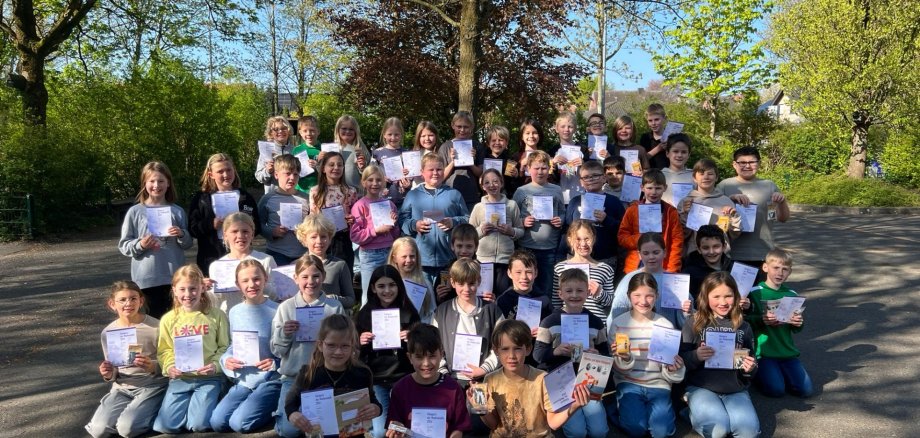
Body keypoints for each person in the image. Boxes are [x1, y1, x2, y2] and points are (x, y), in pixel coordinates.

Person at [270, 254, 346, 437]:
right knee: (290, 431)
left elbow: (346, 345)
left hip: (327, 378)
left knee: (327, 430)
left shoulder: (334, 307)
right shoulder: (286, 308)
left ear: (323, 277)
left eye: (316, 276)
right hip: (294, 377)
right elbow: (277, 351)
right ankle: (281, 419)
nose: (310, 281)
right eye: (304, 277)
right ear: (295, 279)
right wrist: (285, 333)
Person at [478, 319, 593, 437]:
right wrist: (480, 407)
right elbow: (494, 425)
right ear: (496, 350)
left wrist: (574, 405)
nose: (511, 356)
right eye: (505, 349)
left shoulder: (542, 378)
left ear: (528, 349)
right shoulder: (490, 379)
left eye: (517, 348)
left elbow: (553, 423)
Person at [679, 272, 760, 438]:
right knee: (718, 431)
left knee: (748, 433)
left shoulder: (743, 326)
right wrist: (696, 356)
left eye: (728, 296)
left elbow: (750, 366)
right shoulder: (694, 322)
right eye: (716, 296)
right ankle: (690, 412)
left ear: (736, 297)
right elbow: (680, 361)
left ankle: (717, 413)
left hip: (734, 389)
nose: (723, 302)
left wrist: (750, 368)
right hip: (701, 388)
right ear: (705, 297)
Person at [153, 264, 230, 434]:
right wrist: (169, 367)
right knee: (164, 426)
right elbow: (165, 350)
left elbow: (225, 346)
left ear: (203, 287)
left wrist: (215, 366)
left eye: (193, 289)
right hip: (181, 379)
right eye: (182, 289)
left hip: (209, 378)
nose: (187, 294)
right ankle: (191, 406)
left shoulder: (216, 315)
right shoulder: (168, 319)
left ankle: (217, 395)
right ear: (174, 290)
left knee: (198, 425)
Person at [534, 268, 610, 438]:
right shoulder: (549, 322)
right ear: (560, 294)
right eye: (569, 291)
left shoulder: (596, 323)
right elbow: (537, 354)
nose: (574, 295)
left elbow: (606, 354)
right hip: (560, 382)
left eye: (580, 290)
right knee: (577, 432)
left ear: (588, 292)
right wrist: (556, 351)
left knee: (599, 432)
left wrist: (596, 353)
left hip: (587, 381)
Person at [85, 281, 167, 438]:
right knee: (98, 431)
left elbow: (172, 362)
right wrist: (108, 373)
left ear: (141, 301)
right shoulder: (108, 332)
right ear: (112, 304)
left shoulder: (156, 327)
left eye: (133, 298)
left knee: (127, 429)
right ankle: (135, 412)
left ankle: (157, 410)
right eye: (122, 300)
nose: (128, 303)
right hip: (122, 387)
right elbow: (114, 370)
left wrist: (152, 366)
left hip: (152, 386)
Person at [609, 273, 685, 438]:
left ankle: (660, 411)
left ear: (656, 296)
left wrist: (674, 368)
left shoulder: (665, 325)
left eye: (649, 296)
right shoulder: (618, 324)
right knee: (636, 429)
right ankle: (619, 408)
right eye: (637, 295)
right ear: (629, 296)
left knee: (661, 432)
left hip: (659, 385)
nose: (643, 301)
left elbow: (670, 370)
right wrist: (626, 358)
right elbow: (617, 368)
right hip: (628, 383)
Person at [210, 260, 281, 433]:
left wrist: (275, 364)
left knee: (239, 424)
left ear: (265, 278)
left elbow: (287, 349)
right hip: (244, 380)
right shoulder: (235, 311)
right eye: (245, 281)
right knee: (217, 423)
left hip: (271, 379)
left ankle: (276, 408)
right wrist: (227, 360)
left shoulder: (278, 310)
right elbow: (234, 345)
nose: (252, 285)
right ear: (237, 284)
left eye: (256, 279)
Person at [284, 314, 382, 437]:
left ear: (352, 346)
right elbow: (291, 400)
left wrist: (376, 409)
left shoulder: (362, 373)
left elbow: (372, 400)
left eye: (345, 346)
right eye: (331, 345)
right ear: (320, 345)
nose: (338, 352)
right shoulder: (308, 373)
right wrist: (292, 414)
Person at [118, 161, 194, 319]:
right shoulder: (135, 212)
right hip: (147, 279)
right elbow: (124, 245)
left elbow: (188, 244)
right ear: (144, 183)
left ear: (168, 184)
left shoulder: (177, 211)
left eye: (161, 181)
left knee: (176, 320)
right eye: (152, 181)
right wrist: (140, 244)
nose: (156, 185)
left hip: (174, 277)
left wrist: (181, 234)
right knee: (151, 323)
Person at [355, 265, 421, 437]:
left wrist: (413, 339)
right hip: (377, 380)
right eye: (381, 286)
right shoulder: (364, 315)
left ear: (399, 286)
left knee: (408, 428)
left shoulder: (410, 312)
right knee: (380, 432)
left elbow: (422, 350)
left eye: (392, 285)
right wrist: (360, 342)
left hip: (404, 377)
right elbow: (354, 354)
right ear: (373, 288)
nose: (387, 291)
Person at [746, 249, 813, 398]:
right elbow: (745, 322)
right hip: (764, 353)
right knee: (776, 390)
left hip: (786, 352)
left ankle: (781, 374)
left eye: (785, 269)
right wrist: (761, 320)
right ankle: (759, 374)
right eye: (776, 268)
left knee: (806, 391)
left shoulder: (792, 294)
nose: (780, 273)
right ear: (765, 267)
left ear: (790, 272)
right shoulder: (755, 292)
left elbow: (797, 328)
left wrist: (798, 322)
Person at [717, 146, 790, 281]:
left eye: (752, 162)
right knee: (736, 299)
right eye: (742, 162)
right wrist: (730, 200)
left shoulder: (769, 186)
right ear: (734, 164)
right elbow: (715, 218)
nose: (747, 166)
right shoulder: (724, 186)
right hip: (731, 254)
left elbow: (782, 218)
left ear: (759, 164)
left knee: (760, 298)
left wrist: (782, 202)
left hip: (763, 253)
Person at [385, 324, 471, 437]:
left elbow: (460, 427)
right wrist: (396, 429)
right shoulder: (400, 389)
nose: (426, 363)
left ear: (441, 354)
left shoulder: (454, 388)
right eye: (419, 357)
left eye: (432, 356)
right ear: (410, 357)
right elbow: (394, 424)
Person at [398, 153, 470, 288]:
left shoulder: (454, 194)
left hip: (448, 260)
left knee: (444, 294)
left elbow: (467, 218)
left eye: (439, 169)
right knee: (424, 298)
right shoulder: (413, 195)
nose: (435, 173)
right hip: (422, 261)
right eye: (431, 170)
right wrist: (415, 225)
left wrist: (453, 222)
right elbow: (402, 219)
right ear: (422, 172)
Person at [432, 258, 504, 383]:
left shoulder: (492, 311)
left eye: (471, 283)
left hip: (484, 380)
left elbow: (503, 346)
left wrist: (484, 369)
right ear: (452, 282)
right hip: (450, 380)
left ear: (479, 281)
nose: (466, 289)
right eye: (461, 284)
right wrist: (444, 374)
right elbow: (433, 346)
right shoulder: (441, 312)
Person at [189, 153, 260, 274]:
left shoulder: (245, 197)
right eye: (220, 171)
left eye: (229, 170)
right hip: (211, 257)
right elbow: (192, 229)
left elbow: (257, 227)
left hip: (242, 257)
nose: (226, 175)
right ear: (211, 174)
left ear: (234, 170)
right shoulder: (201, 198)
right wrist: (211, 224)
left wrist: (244, 225)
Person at [610, 233, 692, 330]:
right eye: (646, 253)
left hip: (666, 338)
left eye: (656, 252)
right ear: (639, 255)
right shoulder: (629, 279)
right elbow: (617, 312)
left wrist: (686, 312)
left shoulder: (675, 282)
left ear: (664, 252)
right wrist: (615, 336)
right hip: (635, 337)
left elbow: (686, 323)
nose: (651, 257)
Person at [512, 150, 565, 297]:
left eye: (544, 168)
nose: (540, 172)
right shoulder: (521, 191)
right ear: (528, 169)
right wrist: (522, 221)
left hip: (549, 248)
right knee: (526, 286)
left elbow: (563, 212)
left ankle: (544, 317)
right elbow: (512, 216)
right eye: (536, 168)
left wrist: (560, 220)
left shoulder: (556, 190)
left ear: (549, 169)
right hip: (526, 247)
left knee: (545, 287)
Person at [469, 169, 524, 298]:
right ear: (482, 186)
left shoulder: (511, 205)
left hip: (505, 260)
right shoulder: (478, 207)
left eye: (495, 181)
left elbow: (521, 230)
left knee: (502, 297)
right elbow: (469, 235)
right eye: (487, 182)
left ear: (501, 183)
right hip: (483, 260)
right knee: (484, 296)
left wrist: (511, 232)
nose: (492, 185)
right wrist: (481, 231)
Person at [618, 169, 685, 275]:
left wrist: (672, 269)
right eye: (649, 188)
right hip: (636, 264)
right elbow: (622, 238)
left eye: (658, 188)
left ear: (665, 188)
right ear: (642, 188)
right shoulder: (632, 210)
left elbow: (676, 242)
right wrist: (639, 238)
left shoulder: (670, 212)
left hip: (663, 264)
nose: (653, 192)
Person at [351, 164, 401, 305]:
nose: (375, 183)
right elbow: (355, 236)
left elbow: (396, 235)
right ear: (363, 182)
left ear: (384, 182)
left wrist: (394, 224)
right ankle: (364, 325)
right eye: (370, 180)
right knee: (369, 294)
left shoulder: (389, 204)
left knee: (391, 292)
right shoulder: (359, 206)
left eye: (378, 180)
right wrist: (375, 231)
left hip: (389, 252)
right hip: (369, 254)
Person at [208, 213, 278, 312]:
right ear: (225, 235)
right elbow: (216, 301)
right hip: (230, 318)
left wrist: (259, 284)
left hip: (261, 315)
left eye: (245, 231)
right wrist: (205, 290)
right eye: (234, 231)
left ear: (252, 234)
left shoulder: (265, 260)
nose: (240, 236)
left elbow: (275, 295)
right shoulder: (216, 266)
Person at [562, 160, 626, 266]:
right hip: (577, 258)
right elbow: (566, 230)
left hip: (605, 258)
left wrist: (606, 220)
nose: (591, 179)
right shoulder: (575, 201)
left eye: (595, 175)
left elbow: (623, 230)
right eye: (586, 177)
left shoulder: (614, 202)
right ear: (581, 182)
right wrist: (562, 254)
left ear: (604, 178)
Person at [552, 221, 616, 322]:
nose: (583, 244)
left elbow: (611, 301)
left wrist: (600, 292)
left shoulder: (605, 268)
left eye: (587, 239)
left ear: (593, 238)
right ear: (569, 240)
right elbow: (556, 302)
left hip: (596, 325)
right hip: (569, 323)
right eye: (578, 239)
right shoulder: (560, 268)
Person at [310, 151, 359, 274]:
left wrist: (352, 220)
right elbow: (312, 218)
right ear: (323, 169)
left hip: (343, 240)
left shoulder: (351, 191)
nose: (336, 168)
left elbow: (356, 217)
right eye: (331, 165)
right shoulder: (315, 192)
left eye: (340, 165)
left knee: (344, 274)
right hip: (322, 240)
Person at [680, 159, 742, 255]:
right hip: (694, 255)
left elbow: (734, 234)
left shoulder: (726, 201)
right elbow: (682, 234)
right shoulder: (686, 202)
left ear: (716, 177)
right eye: (701, 173)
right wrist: (684, 214)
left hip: (721, 256)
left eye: (710, 174)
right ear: (694, 178)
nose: (706, 177)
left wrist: (734, 217)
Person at [256, 154, 309, 266]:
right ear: (276, 174)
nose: (292, 178)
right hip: (276, 253)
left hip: (303, 254)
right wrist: (272, 232)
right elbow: (258, 223)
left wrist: (304, 230)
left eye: (296, 174)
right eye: (287, 174)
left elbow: (313, 223)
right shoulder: (267, 199)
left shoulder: (306, 198)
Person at [295, 214, 357, 310]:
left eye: (323, 236)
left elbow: (351, 300)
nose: (319, 241)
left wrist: (333, 299)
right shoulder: (296, 265)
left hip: (332, 320)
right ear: (304, 239)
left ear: (330, 239)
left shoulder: (339, 265)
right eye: (313, 237)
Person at [495, 250, 553, 336]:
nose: (524, 277)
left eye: (529, 272)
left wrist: (545, 331)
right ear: (509, 273)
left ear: (536, 273)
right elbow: (498, 332)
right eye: (518, 272)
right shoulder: (503, 300)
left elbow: (552, 327)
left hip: (536, 347)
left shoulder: (544, 299)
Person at [438, 110, 483, 211]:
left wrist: (471, 161)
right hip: (449, 195)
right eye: (459, 126)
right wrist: (453, 162)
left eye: (466, 127)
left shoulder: (477, 146)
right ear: (453, 125)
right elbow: (440, 176)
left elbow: (481, 173)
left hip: (471, 196)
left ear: (472, 127)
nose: (462, 130)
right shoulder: (445, 147)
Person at [388, 237, 437, 323]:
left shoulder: (424, 283)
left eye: (412, 256)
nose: (409, 260)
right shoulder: (386, 282)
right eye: (404, 256)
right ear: (394, 258)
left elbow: (431, 313)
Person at [682, 225, 735, 301]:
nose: (711, 252)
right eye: (706, 248)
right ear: (699, 249)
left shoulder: (734, 269)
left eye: (716, 247)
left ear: (724, 246)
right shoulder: (689, 274)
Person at [431, 223, 480, 305]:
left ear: (476, 247)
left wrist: (492, 299)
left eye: (469, 246)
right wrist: (439, 297)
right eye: (459, 246)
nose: (464, 251)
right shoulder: (445, 271)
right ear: (452, 246)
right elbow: (438, 304)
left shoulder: (485, 271)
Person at [326, 115, 371, 197]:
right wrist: (319, 161)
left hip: (356, 193)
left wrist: (362, 167)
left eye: (351, 129)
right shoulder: (331, 149)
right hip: (335, 193)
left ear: (356, 131)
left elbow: (368, 173)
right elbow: (323, 171)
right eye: (344, 128)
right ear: (337, 130)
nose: (347, 131)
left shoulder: (360, 148)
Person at [372, 117, 412, 207]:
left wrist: (408, 179)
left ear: (401, 134)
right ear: (384, 135)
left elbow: (411, 176)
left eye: (396, 134)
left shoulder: (407, 152)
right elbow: (371, 173)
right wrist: (381, 177)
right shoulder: (377, 153)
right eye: (389, 134)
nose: (393, 138)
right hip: (383, 199)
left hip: (404, 199)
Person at [549, 112, 587, 204]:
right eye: (563, 126)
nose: (566, 129)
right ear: (557, 129)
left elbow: (590, 171)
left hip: (579, 194)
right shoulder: (552, 150)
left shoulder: (583, 149)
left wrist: (584, 164)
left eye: (570, 126)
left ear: (575, 129)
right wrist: (553, 162)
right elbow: (548, 173)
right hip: (559, 194)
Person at [256, 116, 296, 193]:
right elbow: (259, 176)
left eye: (284, 128)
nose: (280, 131)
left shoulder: (295, 150)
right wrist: (268, 171)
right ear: (271, 133)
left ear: (288, 130)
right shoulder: (266, 150)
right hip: (272, 196)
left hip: (291, 195)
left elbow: (301, 174)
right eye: (276, 129)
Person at [476, 125, 518, 197]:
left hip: (504, 196)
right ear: (488, 144)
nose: (497, 143)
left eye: (501, 140)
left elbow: (511, 183)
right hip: (486, 195)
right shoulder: (483, 159)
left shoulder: (510, 161)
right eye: (494, 140)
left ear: (506, 143)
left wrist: (515, 174)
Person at [509, 118, 546, 196]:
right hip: (522, 198)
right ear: (522, 136)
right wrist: (520, 170)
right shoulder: (513, 158)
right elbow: (507, 182)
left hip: (541, 197)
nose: (531, 136)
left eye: (535, 133)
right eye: (527, 133)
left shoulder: (546, 156)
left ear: (539, 135)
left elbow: (551, 180)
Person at [661, 133, 694, 208]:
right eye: (675, 151)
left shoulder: (696, 177)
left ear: (688, 155)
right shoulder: (658, 176)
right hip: (665, 218)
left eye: (684, 152)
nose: (679, 155)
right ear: (667, 153)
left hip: (687, 218)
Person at [292, 115, 322, 193]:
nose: (309, 133)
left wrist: (318, 166)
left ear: (318, 131)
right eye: (305, 131)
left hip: (319, 191)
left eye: (312, 130)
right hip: (300, 190)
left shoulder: (324, 150)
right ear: (300, 133)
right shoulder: (297, 150)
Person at [638, 103, 670, 170]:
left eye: (656, 119)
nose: (653, 123)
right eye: (650, 120)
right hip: (651, 176)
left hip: (668, 175)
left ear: (665, 118)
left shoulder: (671, 137)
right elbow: (641, 160)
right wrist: (658, 149)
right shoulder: (645, 138)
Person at [410, 121, 440, 188]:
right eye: (423, 136)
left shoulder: (440, 152)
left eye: (430, 135)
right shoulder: (414, 154)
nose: (427, 139)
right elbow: (410, 175)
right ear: (418, 137)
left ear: (436, 136)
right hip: (418, 191)